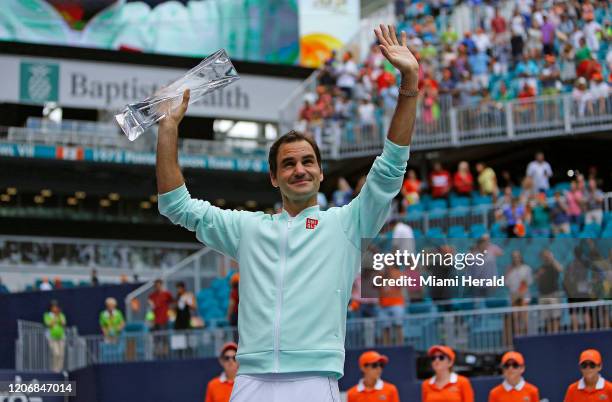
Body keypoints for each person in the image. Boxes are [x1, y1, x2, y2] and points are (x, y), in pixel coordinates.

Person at [156, 23, 419, 402]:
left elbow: (391, 167)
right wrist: (168, 129)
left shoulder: (347, 224)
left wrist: (408, 84)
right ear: (274, 178)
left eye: (308, 162)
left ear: (321, 172)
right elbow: (175, 205)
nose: (300, 169)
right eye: (289, 164)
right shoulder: (247, 228)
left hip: (314, 381)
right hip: (250, 382)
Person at [44, 300, 66, 373]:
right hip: (52, 337)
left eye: (56, 306)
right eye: (54, 307)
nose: (55, 308)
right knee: (56, 353)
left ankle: (59, 370)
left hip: (61, 337)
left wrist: (58, 316)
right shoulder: (47, 315)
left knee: (61, 354)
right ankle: (54, 370)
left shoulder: (61, 315)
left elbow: (63, 323)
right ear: (51, 307)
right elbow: (49, 324)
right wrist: (55, 317)